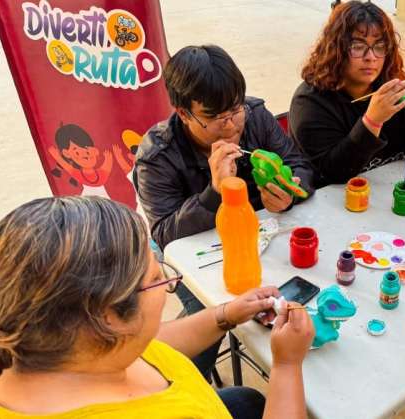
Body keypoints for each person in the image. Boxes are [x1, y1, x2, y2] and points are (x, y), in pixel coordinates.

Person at [0, 197, 314, 419]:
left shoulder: (69, 347)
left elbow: (154, 348)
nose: (166, 286)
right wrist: (286, 365)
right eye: (155, 278)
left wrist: (226, 314)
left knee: (246, 401)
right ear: (109, 319)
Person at [134, 44, 314, 380]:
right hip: (196, 252)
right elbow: (165, 234)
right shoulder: (157, 156)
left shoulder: (255, 116)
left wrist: (287, 193)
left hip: (259, 236)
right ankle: (180, 386)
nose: (231, 126)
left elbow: (299, 165)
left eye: (235, 110)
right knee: (208, 311)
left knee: (300, 286)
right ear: (184, 113)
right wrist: (214, 192)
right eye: (215, 117)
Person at [289, 1, 405, 186]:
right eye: (357, 46)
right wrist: (372, 121)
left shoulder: (391, 85)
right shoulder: (310, 103)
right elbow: (332, 174)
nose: (370, 57)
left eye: (379, 46)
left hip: (384, 193)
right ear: (336, 49)